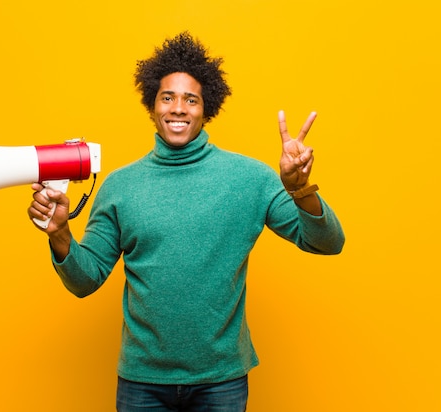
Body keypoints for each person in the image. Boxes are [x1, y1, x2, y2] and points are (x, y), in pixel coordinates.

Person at [28, 31, 345, 412]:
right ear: (153, 105)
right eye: (168, 97)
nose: (178, 108)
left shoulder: (250, 179)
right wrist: (61, 233)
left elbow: (329, 242)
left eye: (190, 99)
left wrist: (300, 189)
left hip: (221, 381)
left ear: (205, 109)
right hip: (142, 383)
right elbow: (86, 279)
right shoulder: (120, 186)